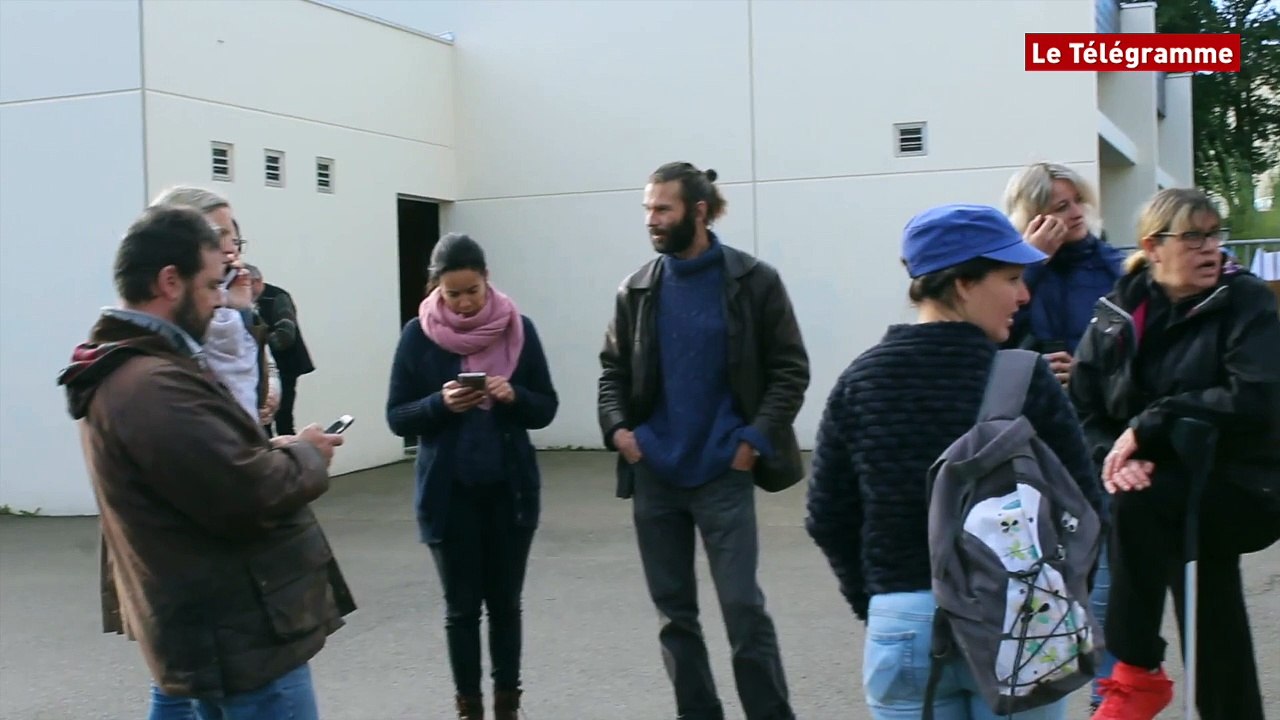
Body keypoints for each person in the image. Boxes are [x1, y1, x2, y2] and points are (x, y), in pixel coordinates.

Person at [56, 205, 355, 720]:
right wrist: (307, 455)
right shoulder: (152, 385)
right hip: (241, 638)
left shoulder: (145, 371)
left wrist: (279, 451)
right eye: (212, 285)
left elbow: (211, 468)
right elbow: (245, 493)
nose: (220, 300)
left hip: (220, 634)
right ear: (170, 281)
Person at [805, 204, 1104, 720]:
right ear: (963, 283)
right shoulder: (1026, 378)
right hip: (1020, 622)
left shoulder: (861, 380)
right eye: (1011, 278)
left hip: (902, 621)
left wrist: (882, 603)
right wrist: (1060, 598)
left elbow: (828, 515)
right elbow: (1085, 508)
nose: (1024, 294)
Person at [598, 161, 809, 720]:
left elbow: (790, 370)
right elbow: (611, 372)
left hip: (724, 472)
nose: (651, 220)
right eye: (647, 209)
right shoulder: (637, 289)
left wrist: (753, 439)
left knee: (742, 607)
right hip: (656, 476)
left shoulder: (753, 281)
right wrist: (621, 430)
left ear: (697, 211)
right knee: (674, 616)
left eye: (662, 209)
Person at [1069, 188, 1280, 720]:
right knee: (1195, 568)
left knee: (1140, 510)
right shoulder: (1116, 314)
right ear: (1153, 246)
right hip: (1157, 482)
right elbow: (1085, 411)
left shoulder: (1245, 301)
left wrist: (1149, 427)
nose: (1210, 249)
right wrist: (1117, 457)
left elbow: (1256, 393)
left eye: (1214, 235)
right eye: (1193, 237)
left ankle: (1135, 675)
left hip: (1243, 481)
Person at [385, 233, 558, 720]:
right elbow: (398, 417)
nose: (462, 304)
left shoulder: (519, 329)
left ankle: (508, 704)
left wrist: (513, 396)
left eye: (472, 292)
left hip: (510, 491)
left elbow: (545, 407)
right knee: (461, 610)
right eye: (452, 293)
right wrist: (439, 404)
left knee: (505, 605)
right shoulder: (416, 336)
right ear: (435, 287)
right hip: (449, 496)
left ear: (487, 282)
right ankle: (469, 708)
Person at [1002, 161, 1124, 709]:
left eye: (1077, 203)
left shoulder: (1112, 267)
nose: (1073, 215)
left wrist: (1090, 370)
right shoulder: (1010, 272)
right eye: (1058, 207)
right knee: (1043, 580)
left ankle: (1106, 700)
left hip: (1100, 436)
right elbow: (989, 341)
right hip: (1034, 444)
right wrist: (1030, 265)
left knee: (1104, 580)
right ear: (1030, 217)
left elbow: (1137, 347)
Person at [248, 260, 316, 436]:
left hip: (285, 366)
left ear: (257, 281)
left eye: (246, 285)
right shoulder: (249, 302)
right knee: (264, 420)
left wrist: (259, 339)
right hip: (264, 367)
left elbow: (286, 336)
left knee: (283, 416)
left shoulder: (277, 298)